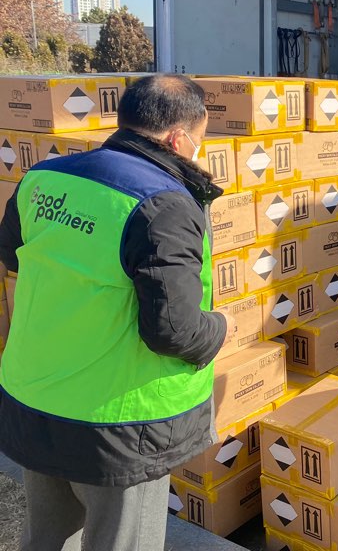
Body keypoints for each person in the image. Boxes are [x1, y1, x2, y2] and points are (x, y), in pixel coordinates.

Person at [0, 74, 233, 551]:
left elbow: (13, 255)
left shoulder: (45, 177)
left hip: (36, 397)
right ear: (178, 139)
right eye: (200, 138)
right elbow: (173, 329)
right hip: (118, 424)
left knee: (45, 537)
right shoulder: (164, 205)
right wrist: (221, 327)